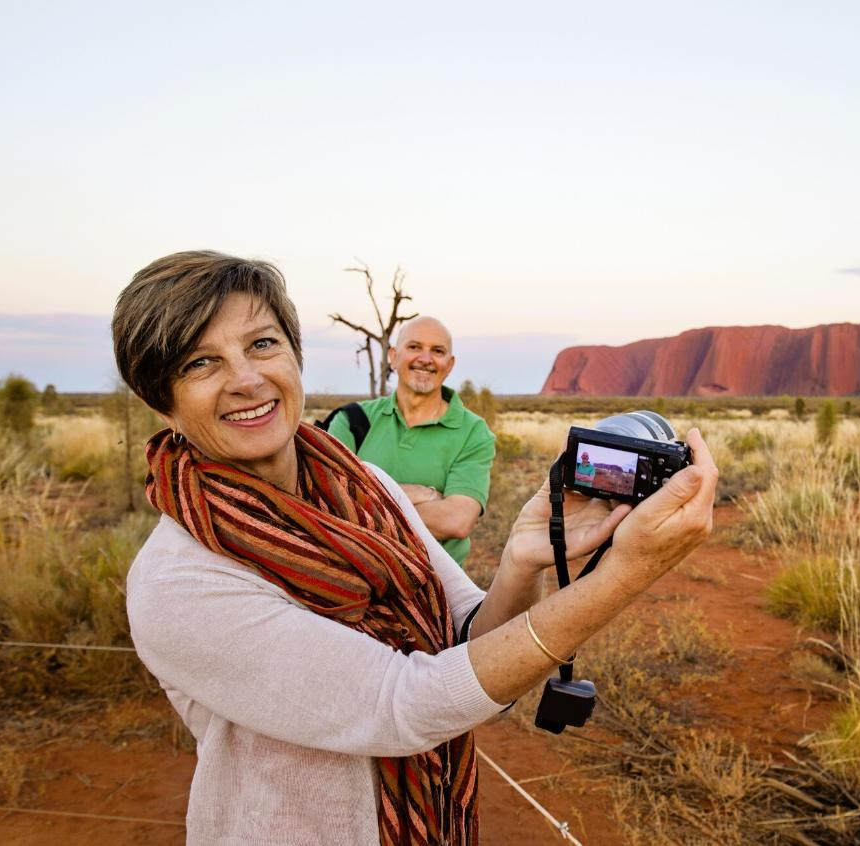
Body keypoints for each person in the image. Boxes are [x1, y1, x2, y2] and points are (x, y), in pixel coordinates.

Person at [112, 250, 717, 845]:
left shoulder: (365, 486)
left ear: (295, 355)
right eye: (200, 363)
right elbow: (407, 704)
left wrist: (523, 557)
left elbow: (467, 644)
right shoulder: (179, 581)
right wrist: (622, 578)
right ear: (161, 402)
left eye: (262, 344)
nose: (246, 379)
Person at [326, 316, 493, 567]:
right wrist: (422, 494)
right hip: (352, 578)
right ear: (393, 357)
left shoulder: (473, 431)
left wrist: (363, 500)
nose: (425, 359)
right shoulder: (351, 421)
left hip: (436, 588)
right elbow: (328, 502)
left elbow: (457, 521)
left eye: (437, 351)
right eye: (414, 347)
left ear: (450, 365)